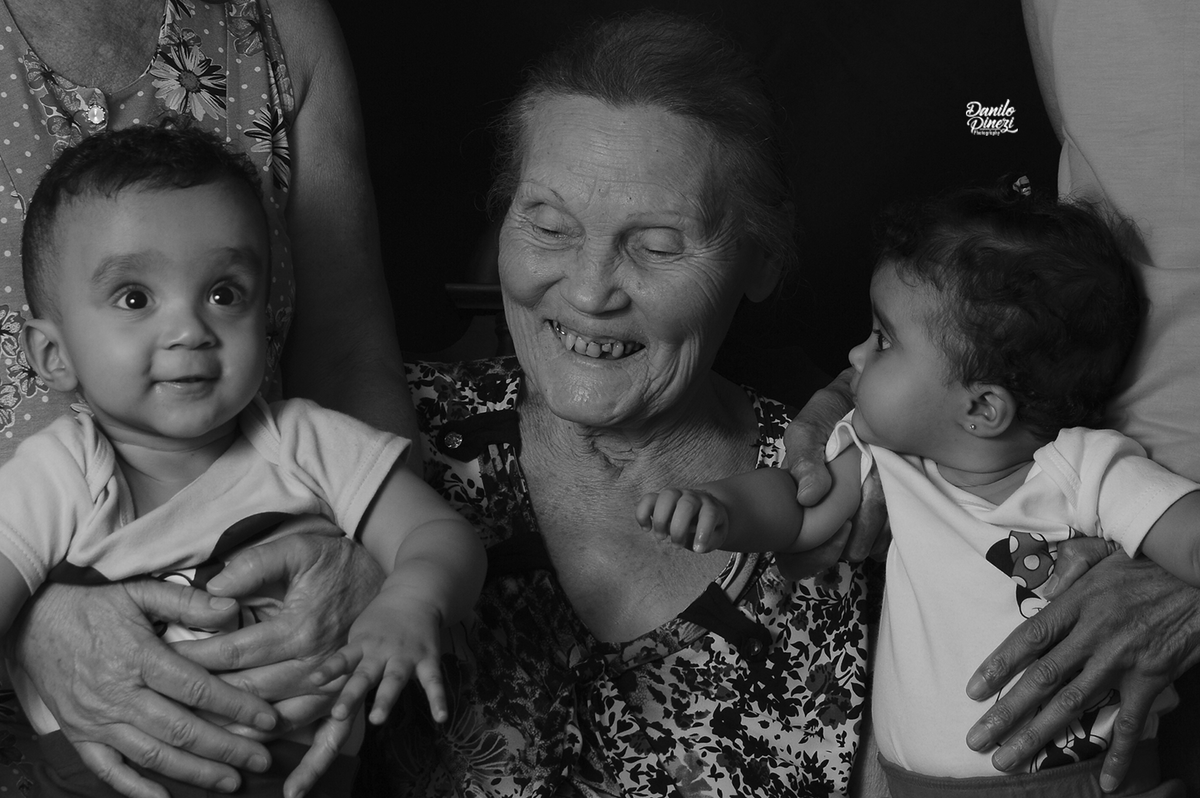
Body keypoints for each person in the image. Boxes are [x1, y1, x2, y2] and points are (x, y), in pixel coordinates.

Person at [351, 11, 870, 796]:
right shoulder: (379, 441)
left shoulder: (845, 495)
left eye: (657, 245)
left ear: (761, 258)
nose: (590, 290)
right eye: (548, 225)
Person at [642, 185, 1197, 796]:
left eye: (883, 340)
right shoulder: (888, 463)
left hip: (1083, 781)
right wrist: (719, 507)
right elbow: (798, 510)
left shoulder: (1090, 468)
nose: (854, 354)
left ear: (982, 408)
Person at [0, 1, 421, 795]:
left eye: (225, 293)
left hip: (299, 725)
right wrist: (33, 626)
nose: (189, 329)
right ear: (49, 353)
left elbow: (348, 352)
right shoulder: (58, 476)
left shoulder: (279, 22)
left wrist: (380, 577)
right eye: (133, 298)